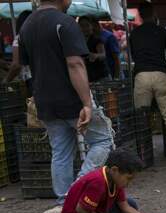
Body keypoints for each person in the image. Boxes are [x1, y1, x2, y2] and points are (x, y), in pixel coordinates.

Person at [19, 0, 113, 202]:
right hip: (72, 100)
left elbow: (23, 63)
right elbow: (75, 63)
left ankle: (64, 204)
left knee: (60, 153)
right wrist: (87, 103)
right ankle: (77, 191)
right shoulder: (65, 22)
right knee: (103, 140)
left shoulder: (27, 25)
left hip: (45, 101)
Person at [130, 2, 166, 159]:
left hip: (141, 76)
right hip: (160, 74)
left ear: (140, 15)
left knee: (141, 116)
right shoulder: (163, 32)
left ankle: (144, 151)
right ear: (153, 13)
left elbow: (133, 55)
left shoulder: (134, 34)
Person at [3, 11, 33, 90]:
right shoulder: (42, 36)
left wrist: (6, 80)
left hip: (31, 79)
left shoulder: (19, 38)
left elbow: (16, 65)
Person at [78, 17, 107, 83]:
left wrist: (96, 55)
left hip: (100, 77)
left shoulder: (97, 40)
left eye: (87, 25)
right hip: (86, 76)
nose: (84, 28)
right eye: (82, 25)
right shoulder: (78, 41)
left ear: (92, 26)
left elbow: (103, 55)